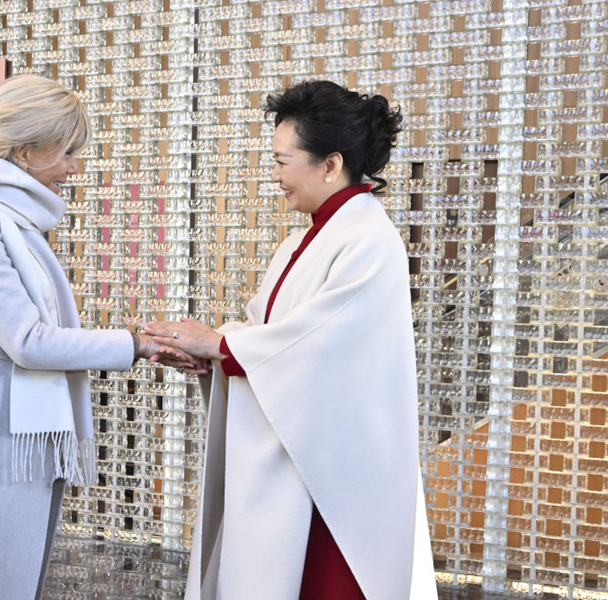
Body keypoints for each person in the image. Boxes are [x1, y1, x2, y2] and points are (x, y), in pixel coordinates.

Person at [0, 74, 187, 600]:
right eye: (66, 152)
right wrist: (135, 343)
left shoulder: (7, 212)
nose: (73, 167)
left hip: (6, 424)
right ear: (24, 152)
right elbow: (27, 339)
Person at [145, 80, 438, 599]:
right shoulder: (305, 240)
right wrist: (207, 353)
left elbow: (320, 346)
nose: (275, 175)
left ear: (330, 164)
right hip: (299, 458)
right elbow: (272, 336)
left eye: (282, 161)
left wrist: (221, 347)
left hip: (335, 478)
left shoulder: (369, 240)